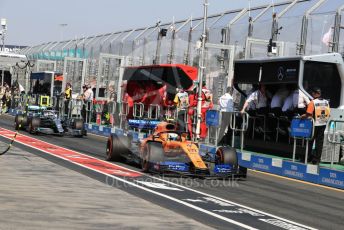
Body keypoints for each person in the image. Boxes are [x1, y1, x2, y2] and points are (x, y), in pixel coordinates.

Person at [301, 87, 330, 164]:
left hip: (314, 124)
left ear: (315, 93)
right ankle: (317, 159)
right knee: (319, 142)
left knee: (310, 141)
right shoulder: (326, 102)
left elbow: (308, 114)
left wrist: (302, 116)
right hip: (323, 123)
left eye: (313, 93)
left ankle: (307, 158)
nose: (312, 94)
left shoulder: (313, 102)